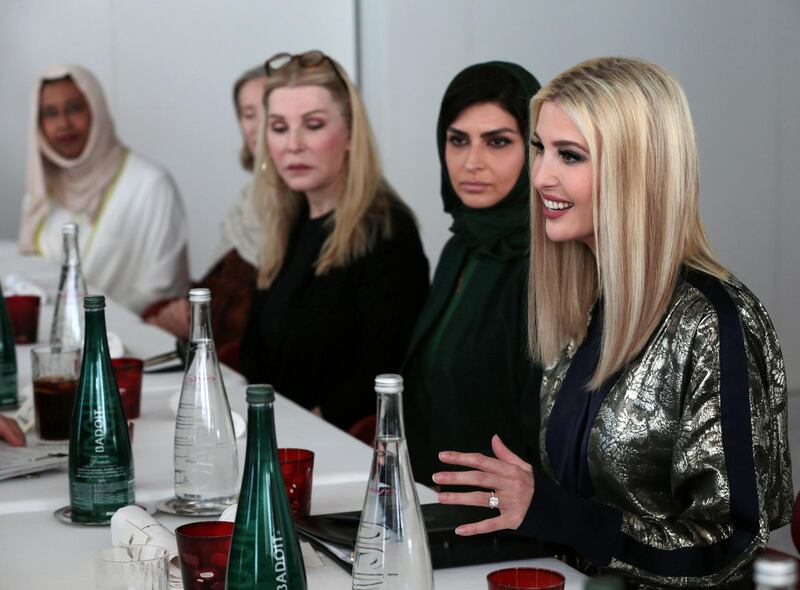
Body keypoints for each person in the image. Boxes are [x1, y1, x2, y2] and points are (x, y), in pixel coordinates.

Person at [434, 57, 792, 588]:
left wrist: (559, 514)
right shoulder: (582, 300)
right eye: (540, 148)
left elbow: (731, 545)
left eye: (570, 155)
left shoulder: (715, 322)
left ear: (637, 170)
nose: (540, 177)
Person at [240, 51, 429, 432]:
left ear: (349, 135)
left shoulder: (387, 231)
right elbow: (255, 354)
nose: (293, 144)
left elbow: (381, 374)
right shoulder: (287, 220)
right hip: (274, 434)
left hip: (333, 451)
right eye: (278, 128)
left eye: (312, 125)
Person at [403, 62, 543, 485]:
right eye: (457, 141)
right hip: (433, 500)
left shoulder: (550, 265)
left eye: (497, 142)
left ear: (536, 147)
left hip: (504, 525)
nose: (471, 162)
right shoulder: (461, 245)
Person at [18, 65, 189, 314]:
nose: (64, 123)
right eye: (50, 113)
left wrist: (92, 323)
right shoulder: (41, 192)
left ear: (96, 110)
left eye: (74, 108)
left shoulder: (150, 185)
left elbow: (162, 287)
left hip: (128, 341)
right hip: (50, 338)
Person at [145, 65, 266, 354]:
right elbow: (223, 283)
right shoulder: (247, 199)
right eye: (248, 115)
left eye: (269, 111)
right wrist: (184, 313)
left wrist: (198, 325)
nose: (259, 126)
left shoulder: (306, 205)